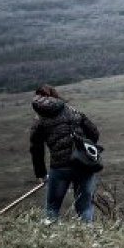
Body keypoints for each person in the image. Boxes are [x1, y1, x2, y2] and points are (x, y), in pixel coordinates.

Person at [29, 84, 101, 223]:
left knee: (52, 207)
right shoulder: (73, 111)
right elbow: (94, 134)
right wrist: (82, 147)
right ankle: (87, 234)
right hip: (84, 165)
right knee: (84, 207)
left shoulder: (39, 121)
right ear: (55, 96)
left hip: (60, 167)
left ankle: (49, 234)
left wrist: (41, 174)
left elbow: (36, 149)